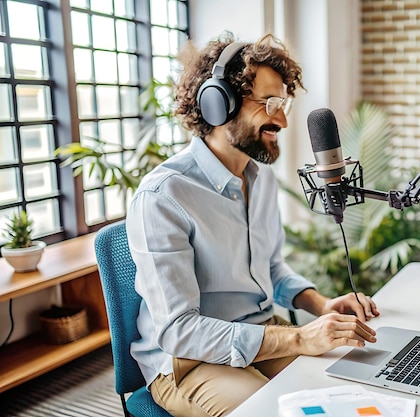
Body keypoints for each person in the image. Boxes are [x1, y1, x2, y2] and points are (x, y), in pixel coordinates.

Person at [125, 32, 380, 417]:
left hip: (262, 333)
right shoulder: (164, 196)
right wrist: (296, 337)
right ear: (218, 104)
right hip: (190, 361)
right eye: (270, 103)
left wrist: (322, 304)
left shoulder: (260, 180)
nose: (282, 119)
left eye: (284, 103)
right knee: (278, 413)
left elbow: (272, 269)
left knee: (348, 390)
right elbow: (179, 330)